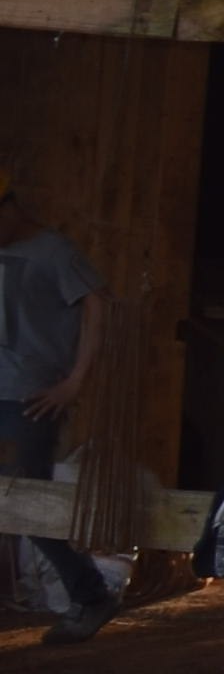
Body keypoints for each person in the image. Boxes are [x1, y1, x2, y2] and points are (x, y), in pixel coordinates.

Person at [0, 157, 122, 637]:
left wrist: (74, 382)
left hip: (30, 397)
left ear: (8, 208)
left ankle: (90, 594)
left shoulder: (53, 251)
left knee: (28, 500)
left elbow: (98, 302)